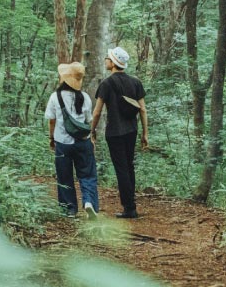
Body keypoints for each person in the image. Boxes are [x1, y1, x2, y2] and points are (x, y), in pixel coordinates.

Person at [91, 46, 148, 218]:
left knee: (121, 168)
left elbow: (97, 112)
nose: (106, 60)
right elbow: (143, 110)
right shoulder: (135, 82)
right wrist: (145, 133)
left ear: (114, 62)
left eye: (108, 58)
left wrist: (91, 130)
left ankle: (129, 208)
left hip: (114, 132)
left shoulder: (106, 84)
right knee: (129, 166)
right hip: (131, 131)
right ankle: (131, 205)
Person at [44, 61, 99, 218]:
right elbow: (88, 121)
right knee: (87, 174)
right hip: (83, 142)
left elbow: (52, 120)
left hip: (63, 142)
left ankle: (70, 209)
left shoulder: (55, 97)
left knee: (64, 175)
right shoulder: (85, 97)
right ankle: (89, 202)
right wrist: (92, 138)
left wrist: (51, 138)